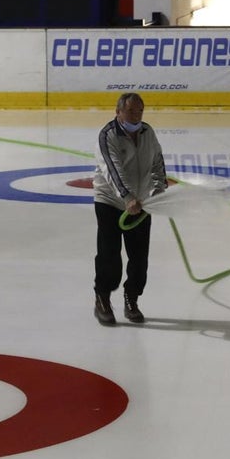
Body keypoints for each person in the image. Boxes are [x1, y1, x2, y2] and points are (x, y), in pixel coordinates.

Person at [91, 92, 167, 325]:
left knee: (139, 258)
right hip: (111, 202)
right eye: (132, 111)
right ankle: (102, 299)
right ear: (118, 112)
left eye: (140, 111)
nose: (137, 115)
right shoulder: (107, 136)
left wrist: (159, 187)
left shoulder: (147, 132)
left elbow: (157, 161)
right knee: (109, 256)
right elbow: (113, 170)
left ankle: (131, 298)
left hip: (141, 203)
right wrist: (127, 196)